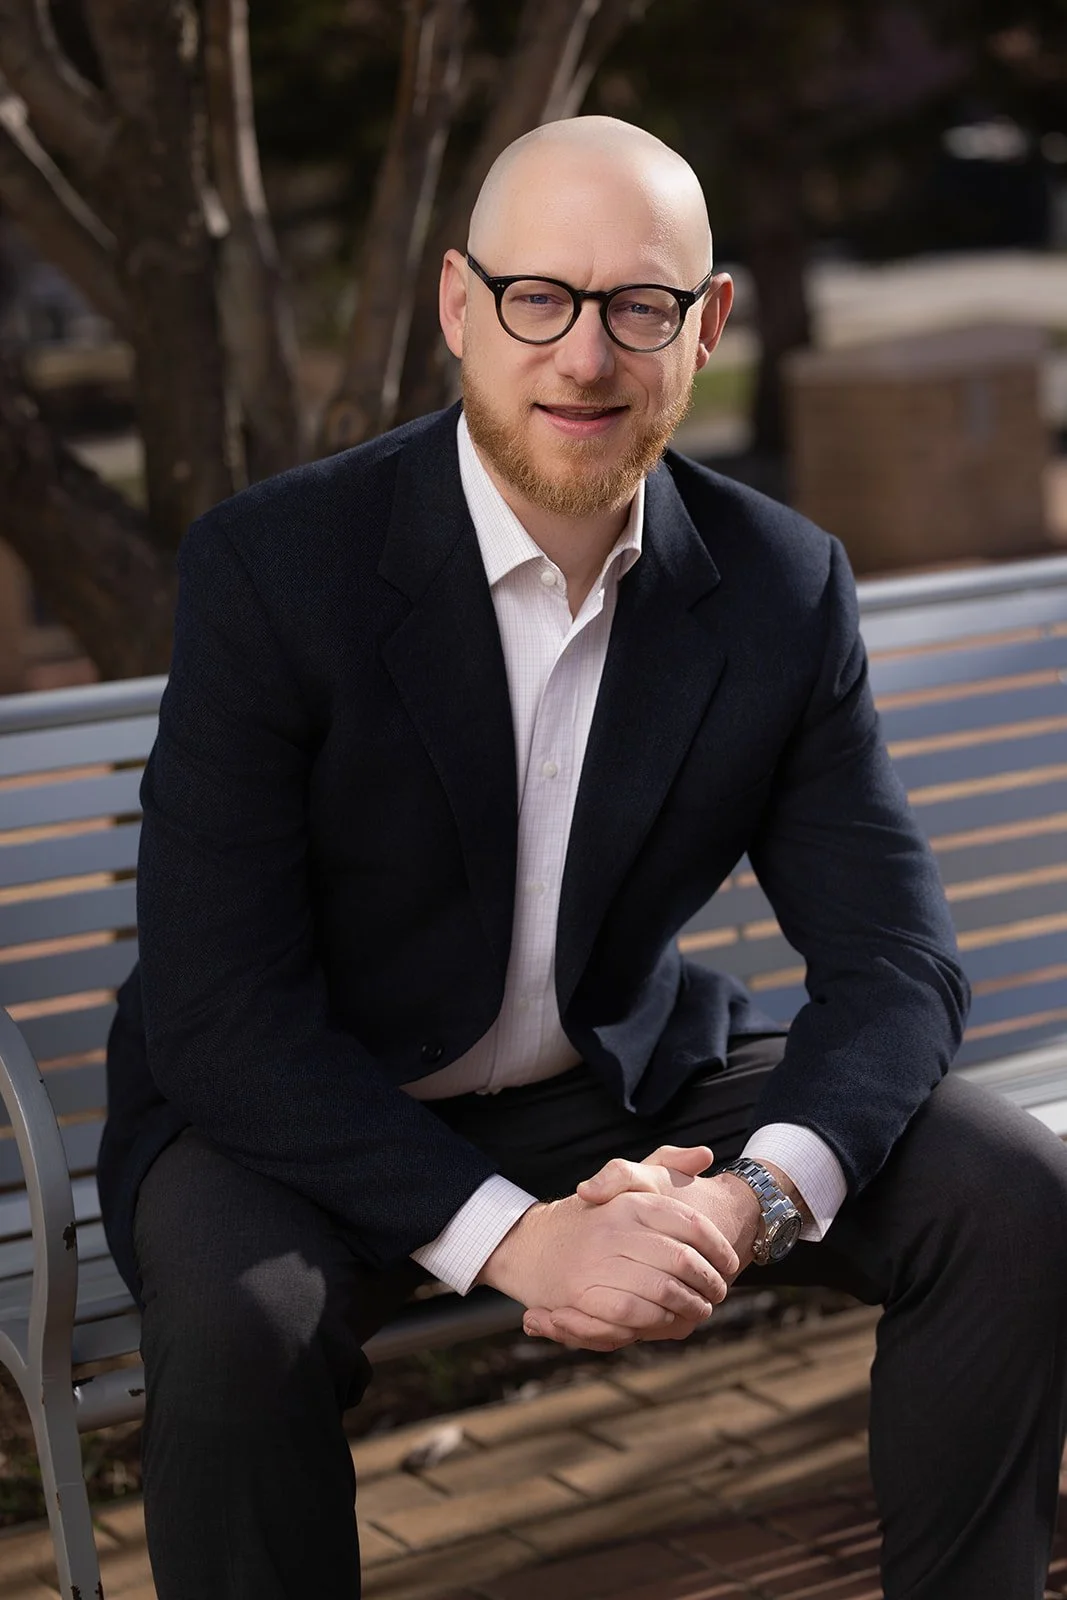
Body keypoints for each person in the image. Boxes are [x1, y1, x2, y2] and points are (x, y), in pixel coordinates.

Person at [99, 116, 1067, 1600]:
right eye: (537, 297)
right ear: (456, 307)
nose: (584, 357)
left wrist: (743, 1201)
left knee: (1007, 1188)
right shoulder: (274, 566)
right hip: (290, 1109)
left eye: (640, 306)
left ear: (708, 324)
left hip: (612, 1085)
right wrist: (520, 1245)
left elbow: (893, 962)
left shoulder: (777, 586)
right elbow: (220, 1012)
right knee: (241, 1325)